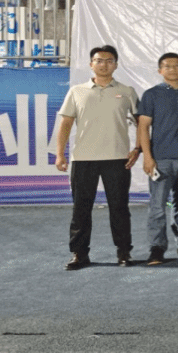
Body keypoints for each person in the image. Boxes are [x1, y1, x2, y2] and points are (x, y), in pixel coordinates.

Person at [55, 45, 142, 270]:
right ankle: (79, 254)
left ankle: (124, 252)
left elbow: (142, 123)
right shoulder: (77, 91)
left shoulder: (127, 91)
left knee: (119, 208)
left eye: (109, 61)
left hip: (117, 158)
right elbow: (65, 123)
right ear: (91, 64)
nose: (104, 65)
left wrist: (138, 148)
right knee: (81, 209)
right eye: (99, 60)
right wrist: (60, 154)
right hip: (83, 158)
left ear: (116, 64)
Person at [136, 52, 178, 265]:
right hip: (161, 159)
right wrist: (147, 157)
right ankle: (157, 248)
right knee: (158, 207)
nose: (172, 69)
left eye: (177, 65)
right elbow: (143, 127)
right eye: (167, 66)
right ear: (160, 70)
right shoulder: (151, 95)